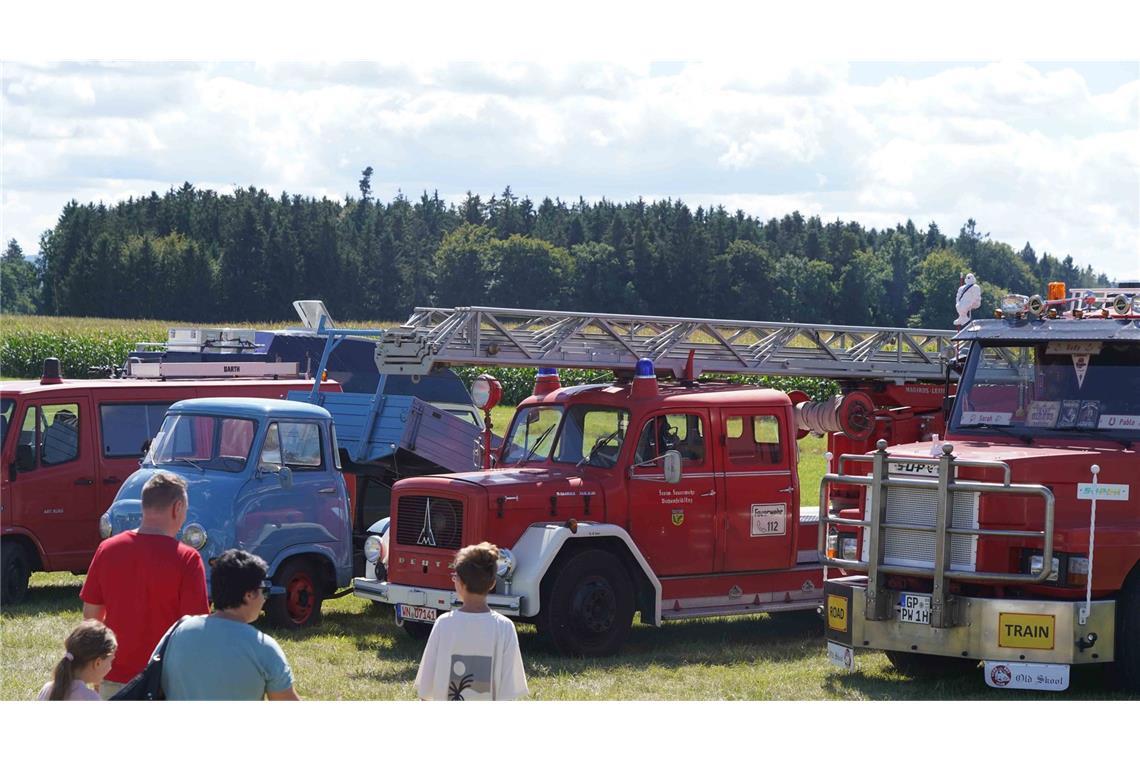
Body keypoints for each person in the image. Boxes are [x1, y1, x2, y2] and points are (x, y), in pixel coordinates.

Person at [80, 471, 209, 698]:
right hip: (166, 680)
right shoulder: (187, 559)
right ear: (177, 508)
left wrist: (96, 670)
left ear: (145, 506)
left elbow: (91, 618)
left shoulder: (107, 549)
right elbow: (195, 631)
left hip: (112, 675)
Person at [158, 549, 300, 700]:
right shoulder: (264, 647)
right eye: (264, 590)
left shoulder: (177, 631)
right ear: (249, 594)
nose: (265, 598)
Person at [415, 542, 528, 701]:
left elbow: (426, 690)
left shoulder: (444, 624)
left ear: (459, 582)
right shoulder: (505, 628)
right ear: (492, 583)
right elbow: (510, 691)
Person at [36, 620, 117, 701]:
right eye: (110, 661)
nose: (110, 667)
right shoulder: (90, 698)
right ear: (98, 663)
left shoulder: (46, 689)